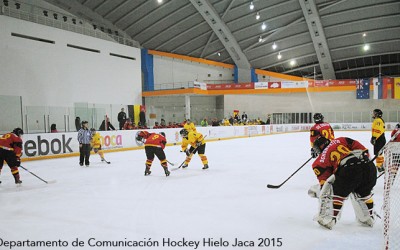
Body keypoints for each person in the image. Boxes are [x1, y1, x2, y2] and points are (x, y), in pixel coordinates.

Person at [311, 136, 377, 229]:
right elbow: (363, 150)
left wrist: (319, 192)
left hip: (349, 169)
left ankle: (328, 220)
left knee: (336, 194)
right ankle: (368, 218)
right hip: (369, 167)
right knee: (364, 192)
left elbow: (326, 184)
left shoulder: (318, 162)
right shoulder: (340, 139)